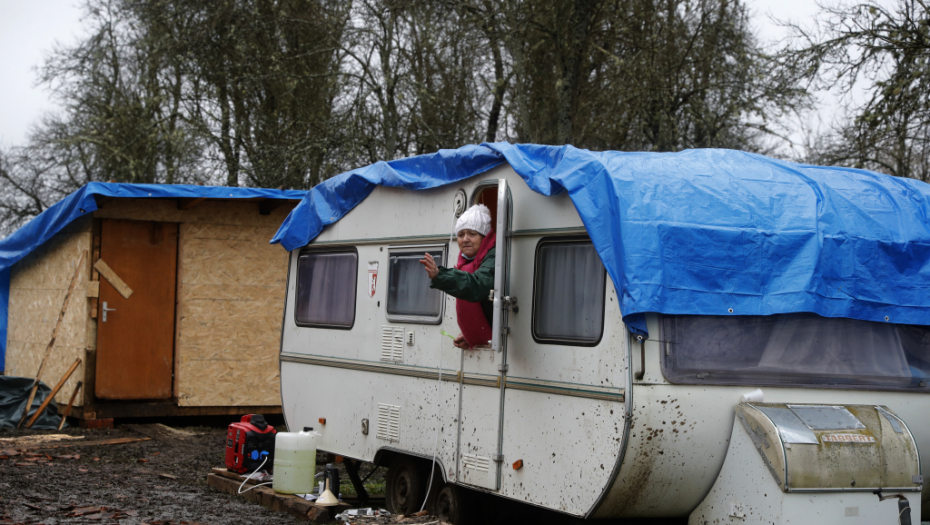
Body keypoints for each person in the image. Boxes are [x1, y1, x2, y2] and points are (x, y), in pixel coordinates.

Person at [420, 204, 495, 349]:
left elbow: (477, 285)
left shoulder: (493, 257)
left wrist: (439, 275)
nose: (465, 239)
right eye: (461, 235)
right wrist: (470, 336)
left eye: (472, 234)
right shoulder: (468, 260)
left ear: (484, 237)